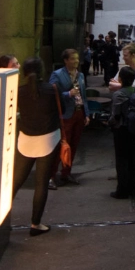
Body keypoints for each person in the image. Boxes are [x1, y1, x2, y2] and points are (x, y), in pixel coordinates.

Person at [17, 56, 61, 235]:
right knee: (41, 183)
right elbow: (62, 110)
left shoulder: (19, 91)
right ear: (43, 72)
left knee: (15, 181)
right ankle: (36, 224)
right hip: (48, 139)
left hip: (25, 138)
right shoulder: (52, 90)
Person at [50, 47, 87, 185]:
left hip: (78, 113)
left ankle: (67, 173)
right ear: (66, 60)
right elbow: (52, 93)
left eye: (77, 58)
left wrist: (86, 113)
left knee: (74, 145)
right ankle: (51, 176)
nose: (76, 61)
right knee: (62, 146)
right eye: (73, 59)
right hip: (65, 115)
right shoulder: (57, 74)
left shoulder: (80, 75)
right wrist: (68, 94)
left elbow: (83, 96)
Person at [109, 66, 135, 198]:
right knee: (133, 159)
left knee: (122, 160)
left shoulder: (119, 94)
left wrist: (109, 122)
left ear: (121, 79)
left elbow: (116, 115)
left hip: (121, 130)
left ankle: (122, 190)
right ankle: (132, 187)